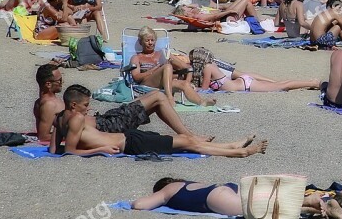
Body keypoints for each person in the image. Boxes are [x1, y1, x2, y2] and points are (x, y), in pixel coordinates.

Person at [50, 85, 266, 157]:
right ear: (73, 106)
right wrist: (101, 149)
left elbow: (53, 150)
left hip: (130, 138)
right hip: (129, 143)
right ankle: (238, 152)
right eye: (85, 106)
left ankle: (231, 145)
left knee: (182, 141)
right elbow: (69, 151)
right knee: (187, 143)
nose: (89, 109)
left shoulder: (59, 118)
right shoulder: (77, 119)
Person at [33, 64, 206, 144]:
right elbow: (44, 136)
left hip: (107, 120)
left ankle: (189, 136)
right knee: (158, 98)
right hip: (108, 126)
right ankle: (190, 137)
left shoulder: (46, 102)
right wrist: (76, 136)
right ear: (48, 84)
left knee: (154, 97)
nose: (62, 82)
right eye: (59, 80)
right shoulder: (49, 104)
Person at [129, 26, 213, 106]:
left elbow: (188, 68)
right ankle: (169, 98)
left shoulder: (162, 54)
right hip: (147, 83)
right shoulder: (137, 57)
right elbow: (136, 77)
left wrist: (187, 81)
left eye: (152, 40)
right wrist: (154, 70)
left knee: (184, 84)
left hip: (164, 83)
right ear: (141, 42)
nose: (150, 43)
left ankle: (201, 102)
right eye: (147, 40)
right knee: (167, 67)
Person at [189, 46, 319, 93]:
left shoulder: (207, 67)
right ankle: (310, 82)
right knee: (279, 84)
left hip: (246, 85)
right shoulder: (210, 65)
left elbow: (205, 89)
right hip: (242, 82)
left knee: (282, 86)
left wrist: (193, 87)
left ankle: (312, 83)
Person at [132, 178, 246, 216]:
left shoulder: (168, 189)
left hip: (214, 197)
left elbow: (139, 205)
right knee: (260, 205)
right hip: (227, 187)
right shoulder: (188, 183)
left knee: (255, 212)